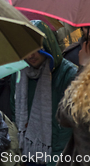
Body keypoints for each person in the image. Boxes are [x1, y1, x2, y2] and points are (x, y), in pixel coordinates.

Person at [10, 20, 78, 165]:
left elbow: (67, 126)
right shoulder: (19, 72)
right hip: (25, 152)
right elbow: (14, 107)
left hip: (56, 155)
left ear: (48, 45)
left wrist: (55, 161)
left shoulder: (68, 74)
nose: (32, 55)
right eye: (27, 48)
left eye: (37, 47)